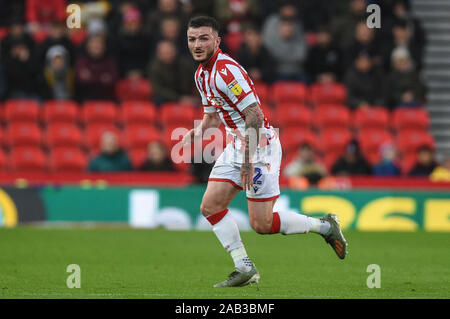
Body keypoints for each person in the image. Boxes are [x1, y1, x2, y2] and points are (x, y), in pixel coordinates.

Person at [183, 16, 347, 288]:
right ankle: (244, 268)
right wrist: (198, 132)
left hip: (259, 147)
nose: (197, 44)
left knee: (262, 224)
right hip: (237, 145)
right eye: (192, 39)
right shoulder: (201, 74)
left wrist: (247, 163)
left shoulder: (227, 71)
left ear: (217, 41)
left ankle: (326, 226)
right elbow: (212, 115)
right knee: (210, 206)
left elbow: (255, 116)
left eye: (203, 38)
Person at [262, 3, 308, 81]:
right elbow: (270, 55)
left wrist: (281, 56)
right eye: (285, 28)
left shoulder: (298, 27)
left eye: (289, 28)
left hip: (297, 71)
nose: (287, 30)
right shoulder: (272, 24)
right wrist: (291, 56)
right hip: (276, 71)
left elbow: (302, 56)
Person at [148, 40, 194, 105]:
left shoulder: (185, 64)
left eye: (169, 52)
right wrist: (179, 98)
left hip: (187, 94)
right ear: (158, 55)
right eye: (164, 53)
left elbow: (195, 81)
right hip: (166, 97)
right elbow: (158, 90)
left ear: (175, 52)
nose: (167, 56)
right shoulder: (154, 68)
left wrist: (192, 97)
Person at [74, 34, 119, 101]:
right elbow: (80, 80)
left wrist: (91, 76)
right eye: (93, 43)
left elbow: (113, 80)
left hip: (107, 99)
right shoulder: (81, 62)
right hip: (85, 99)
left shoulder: (110, 61)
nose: (96, 45)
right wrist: (101, 77)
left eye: (99, 43)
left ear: (104, 46)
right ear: (87, 46)